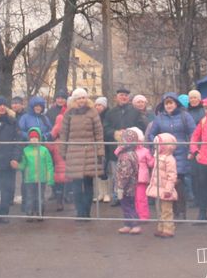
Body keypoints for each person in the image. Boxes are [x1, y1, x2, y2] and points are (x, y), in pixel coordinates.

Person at [147, 92, 196, 221]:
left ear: (176, 103)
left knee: (178, 182)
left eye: (171, 103)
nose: (168, 105)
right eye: (166, 103)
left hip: (181, 153)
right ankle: (170, 212)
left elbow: (193, 133)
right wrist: (157, 144)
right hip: (164, 154)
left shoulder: (185, 116)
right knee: (167, 183)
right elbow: (151, 135)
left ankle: (180, 211)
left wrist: (192, 150)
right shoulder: (159, 118)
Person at [61, 88, 105, 218]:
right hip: (74, 152)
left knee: (88, 184)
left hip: (90, 152)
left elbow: (98, 132)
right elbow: (64, 133)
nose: (81, 100)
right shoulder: (68, 113)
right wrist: (63, 151)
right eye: (79, 98)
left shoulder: (93, 112)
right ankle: (79, 212)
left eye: (83, 97)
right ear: (75, 99)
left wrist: (100, 151)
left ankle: (87, 212)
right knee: (76, 186)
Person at [103, 88, 146, 206]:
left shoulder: (135, 112)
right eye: (121, 95)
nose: (123, 97)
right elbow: (105, 129)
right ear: (116, 97)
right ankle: (116, 196)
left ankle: (131, 196)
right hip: (115, 149)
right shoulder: (110, 113)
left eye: (126, 95)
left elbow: (142, 127)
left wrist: (130, 133)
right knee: (116, 173)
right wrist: (116, 133)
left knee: (131, 173)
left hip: (132, 150)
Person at [18, 128, 54, 221]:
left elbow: (49, 165)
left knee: (40, 197)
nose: (34, 139)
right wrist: (18, 166)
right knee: (29, 197)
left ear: (39, 138)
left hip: (41, 179)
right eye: (32, 138)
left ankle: (40, 213)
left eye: (36, 137)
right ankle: (29, 213)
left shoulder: (44, 150)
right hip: (29, 179)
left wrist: (50, 179)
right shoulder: (25, 150)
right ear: (29, 139)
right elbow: (23, 164)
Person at [148, 133, 179, 238]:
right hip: (158, 188)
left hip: (166, 189)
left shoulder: (170, 159)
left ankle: (169, 229)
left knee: (167, 210)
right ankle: (161, 227)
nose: (156, 147)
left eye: (158, 145)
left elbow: (172, 176)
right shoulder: (158, 157)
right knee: (159, 210)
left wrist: (168, 189)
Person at [114, 128, 141, 234]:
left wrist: (120, 186)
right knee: (128, 205)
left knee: (127, 205)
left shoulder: (125, 156)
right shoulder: (132, 153)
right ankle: (127, 224)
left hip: (125, 186)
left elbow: (125, 173)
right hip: (131, 185)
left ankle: (134, 224)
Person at [93, 96, 111, 203]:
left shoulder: (108, 116)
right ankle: (101, 193)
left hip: (106, 145)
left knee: (105, 170)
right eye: (96, 105)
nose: (98, 107)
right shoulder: (94, 116)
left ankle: (107, 193)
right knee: (99, 170)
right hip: (97, 145)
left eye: (100, 105)